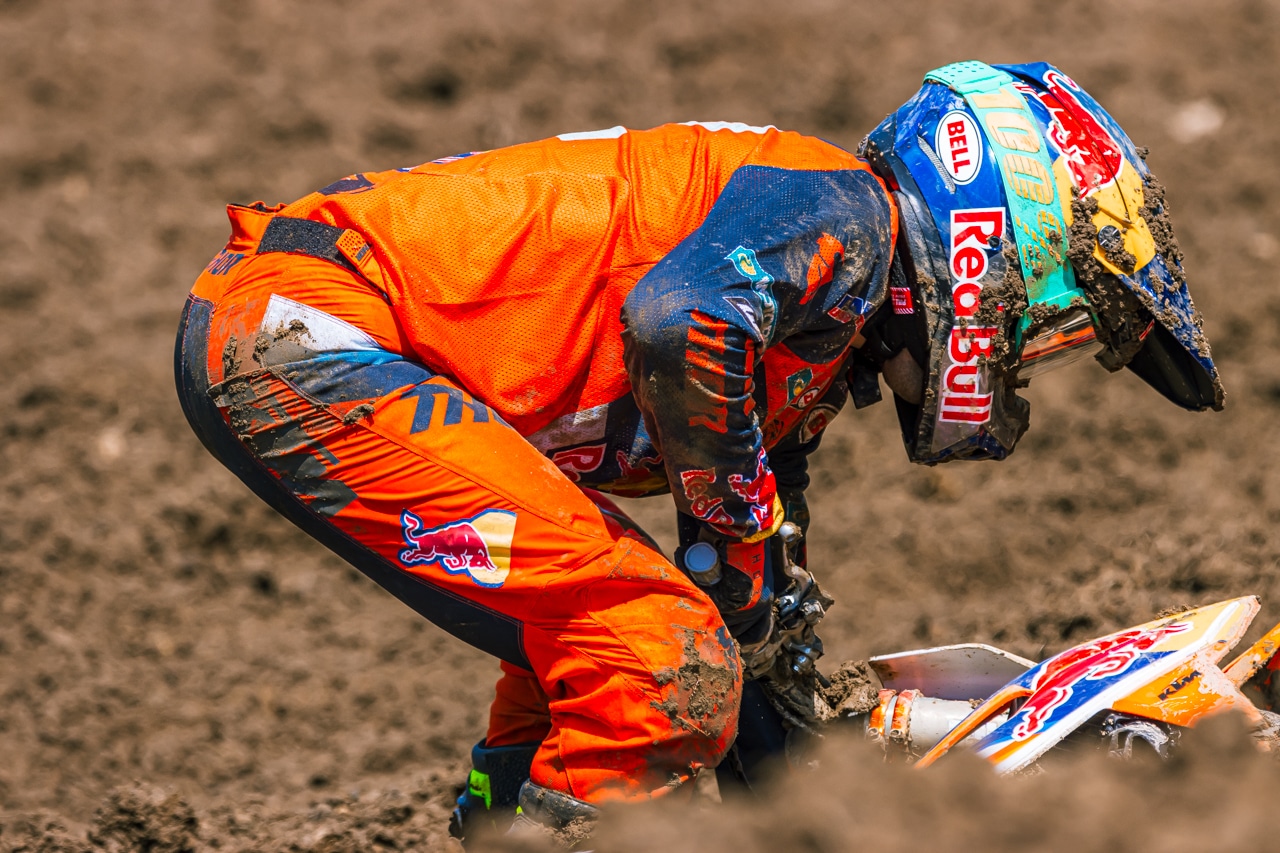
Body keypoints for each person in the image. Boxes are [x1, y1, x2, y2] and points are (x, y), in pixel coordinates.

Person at [175, 60, 1222, 842]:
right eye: (1053, 327)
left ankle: (495, 824)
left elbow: (749, 636)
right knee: (652, 645)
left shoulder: (812, 327)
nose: (1028, 363)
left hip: (302, 326)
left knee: (616, 643)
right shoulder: (840, 209)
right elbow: (680, 321)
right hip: (308, 332)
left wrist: (825, 784)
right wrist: (737, 545)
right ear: (991, 238)